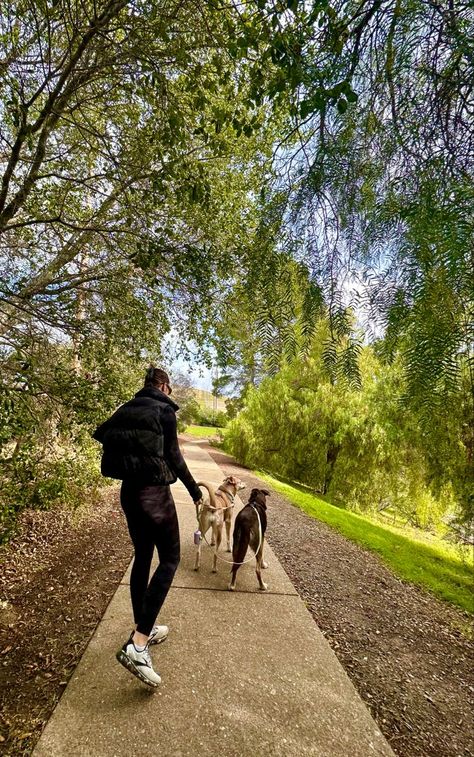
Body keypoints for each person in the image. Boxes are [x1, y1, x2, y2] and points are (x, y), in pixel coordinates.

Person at [93, 366, 203, 687]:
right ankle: (138, 643)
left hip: (129, 493)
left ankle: (145, 626)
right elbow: (175, 457)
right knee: (170, 559)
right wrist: (196, 493)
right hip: (154, 494)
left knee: (143, 555)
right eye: (169, 388)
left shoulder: (127, 408)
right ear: (164, 386)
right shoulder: (164, 411)